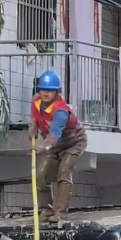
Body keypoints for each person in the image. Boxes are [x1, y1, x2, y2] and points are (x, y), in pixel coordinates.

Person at [27, 70, 87, 222]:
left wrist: (41, 148)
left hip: (72, 143)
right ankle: (46, 210)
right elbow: (35, 117)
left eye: (50, 90)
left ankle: (60, 214)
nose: (45, 93)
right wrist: (33, 126)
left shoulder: (60, 111)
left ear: (57, 92)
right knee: (40, 175)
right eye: (43, 89)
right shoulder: (36, 101)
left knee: (64, 173)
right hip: (53, 144)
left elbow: (53, 138)